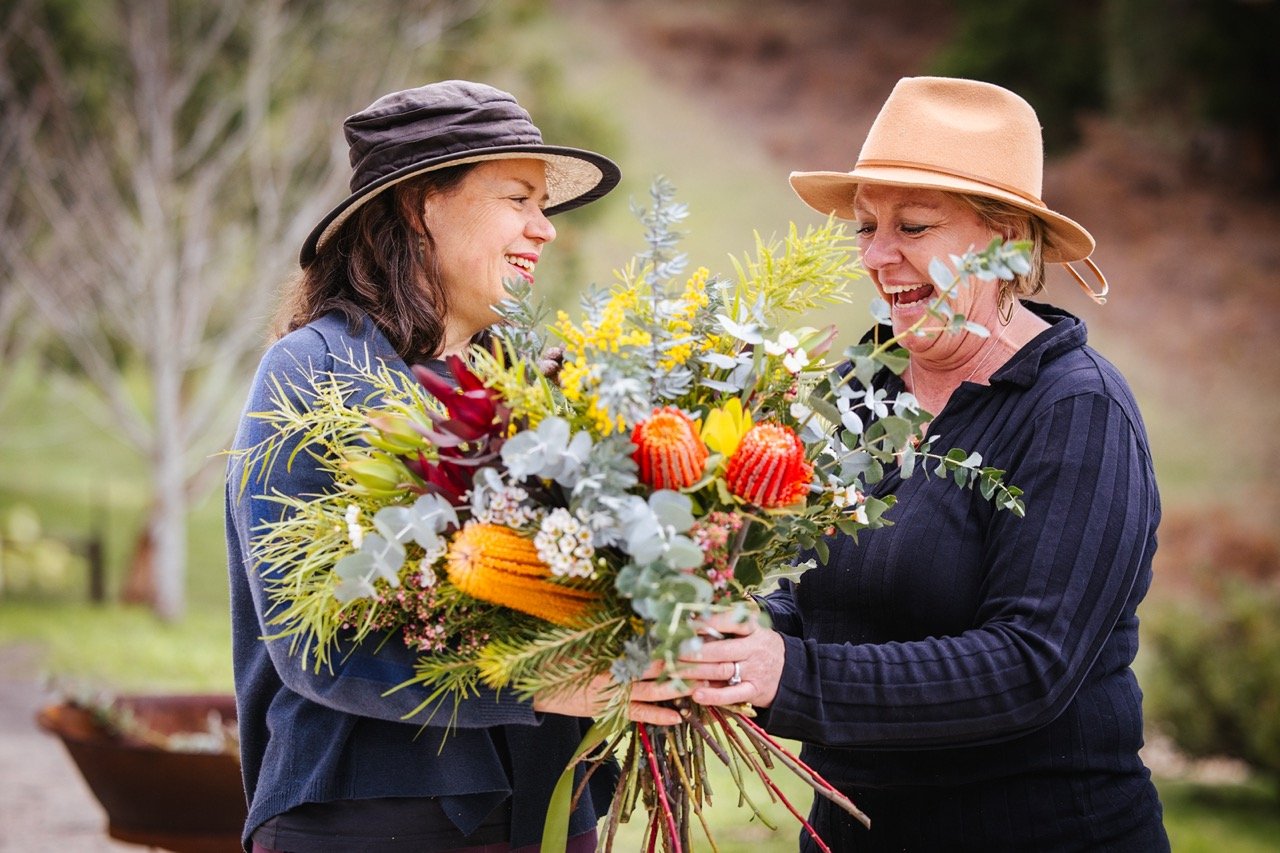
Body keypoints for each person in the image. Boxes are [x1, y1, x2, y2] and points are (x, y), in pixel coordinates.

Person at [681, 77, 1169, 851]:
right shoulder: (856, 388)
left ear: (1007, 240)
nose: (876, 255)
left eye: (912, 225)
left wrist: (788, 674)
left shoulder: (1077, 409)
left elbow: (1029, 666)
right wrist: (733, 637)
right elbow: (830, 606)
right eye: (866, 226)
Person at [225, 80, 682, 853]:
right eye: (518, 198)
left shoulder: (550, 389)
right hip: (364, 816)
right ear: (418, 205)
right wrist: (543, 682)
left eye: (544, 205)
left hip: (546, 812)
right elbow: (314, 642)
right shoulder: (312, 374)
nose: (546, 229)